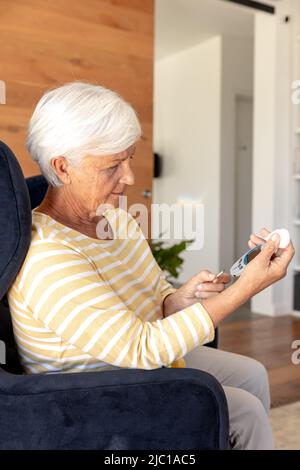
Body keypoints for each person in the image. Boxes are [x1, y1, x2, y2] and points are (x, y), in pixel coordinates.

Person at [8, 82, 294, 450]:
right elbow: (140, 347)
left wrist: (180, 299)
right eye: (113, 165)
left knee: (252, 373)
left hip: (136, 360)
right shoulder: (48, 253)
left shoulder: (117, 219)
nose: (129, 177)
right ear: (62, 167)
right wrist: (244, 289)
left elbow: (157, 297)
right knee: (243, 410)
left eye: (129, 157)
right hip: (93, 391)